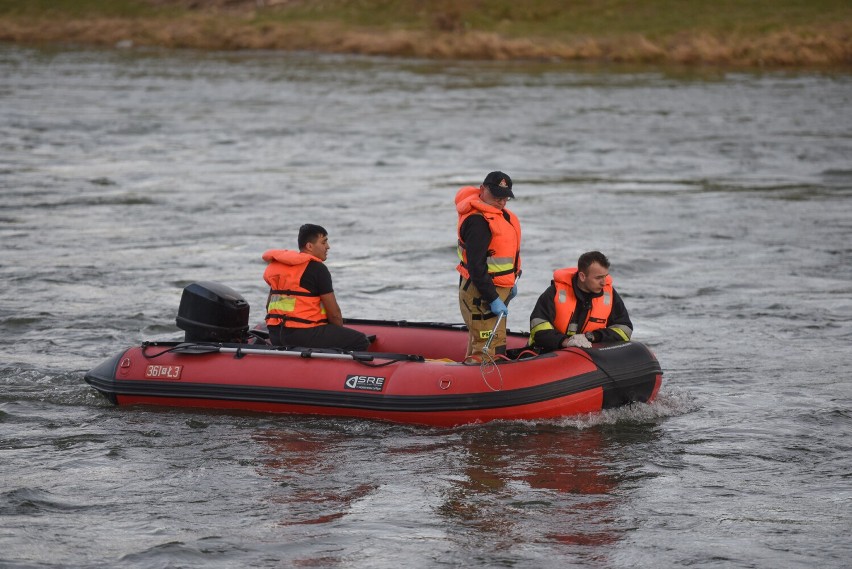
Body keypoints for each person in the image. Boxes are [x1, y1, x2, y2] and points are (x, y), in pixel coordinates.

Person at [262, 224, 370, 351]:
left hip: (276, 334)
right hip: (304, 334)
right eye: (324, 242)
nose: (328, 247)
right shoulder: (317, 268)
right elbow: (334, 313)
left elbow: (268, 305)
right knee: (360, 341)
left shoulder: (280, 268)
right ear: (309, 246)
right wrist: (338, 332)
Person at [455, 171, 522, 361]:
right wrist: (492, 298)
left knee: (496, 343)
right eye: (497, 196)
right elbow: (476, 267)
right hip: (481, 292)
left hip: (500, 288)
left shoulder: (502, 216)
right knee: (485, 346)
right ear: (482, 189)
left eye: (505, 197)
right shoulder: (478, 222)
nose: (501, 202)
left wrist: (510, 282)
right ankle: (473, 379)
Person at [529, 251, 632, 351]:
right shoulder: (555, 292)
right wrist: (566, 341)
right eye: (598, 278)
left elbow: (624, 329)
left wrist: (592, 336)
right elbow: (538, 330)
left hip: (587, 355)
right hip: (550, 352)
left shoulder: (609, 294)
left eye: (605, 276)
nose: (604, 283)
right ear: (582, 276)